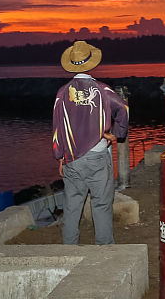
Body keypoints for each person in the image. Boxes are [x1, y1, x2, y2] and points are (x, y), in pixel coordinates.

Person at [52, 40, 129, 245]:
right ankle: (104, 248)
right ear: (91, 63)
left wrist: (60, 157)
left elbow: (57, 129)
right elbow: (123, 109)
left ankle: (69, 248)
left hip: (72, 159)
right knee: (101, 204)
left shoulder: (62, 93)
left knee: (72, 206)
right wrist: (116, 134)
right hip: (97, 156)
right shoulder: (103, 90)